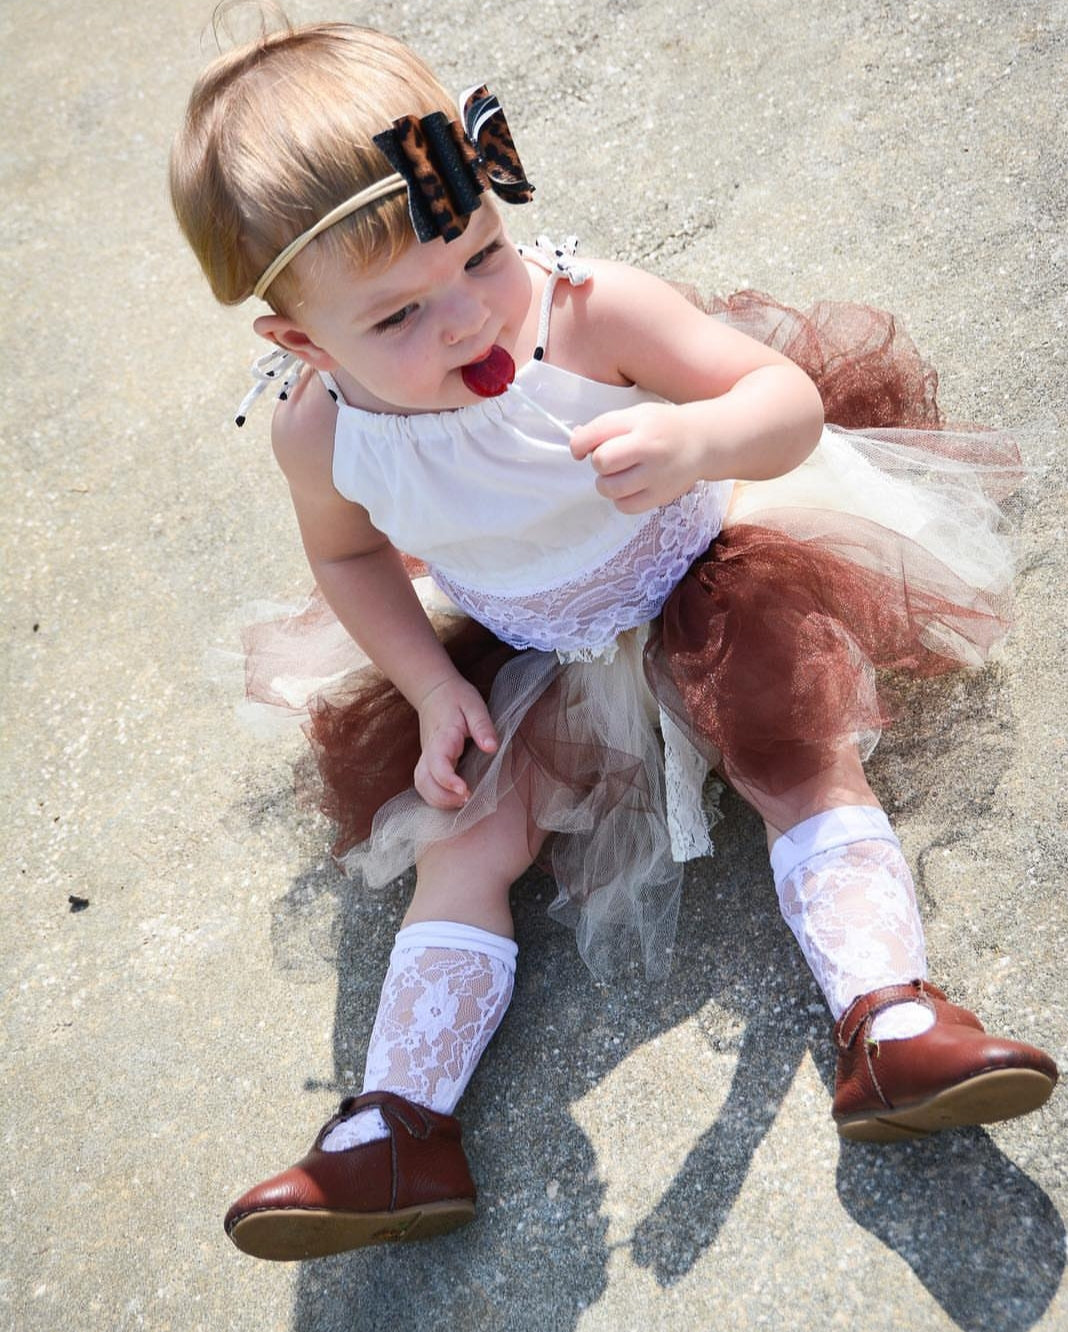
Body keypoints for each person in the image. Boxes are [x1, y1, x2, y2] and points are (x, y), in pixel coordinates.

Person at [170, 19, 1058, 1262]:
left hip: (709, 563)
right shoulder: (320, 433)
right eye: (398, 320)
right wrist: (427, 682)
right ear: (301, 345)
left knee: (790, 742)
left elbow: (780, 400)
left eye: (478, 252)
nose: (469, 319)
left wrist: (698, 443)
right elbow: (349, 555)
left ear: (490, 194)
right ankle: (396, 1127)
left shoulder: (586, 314)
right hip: (533, 640)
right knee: (467, 832)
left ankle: (891, 1020)